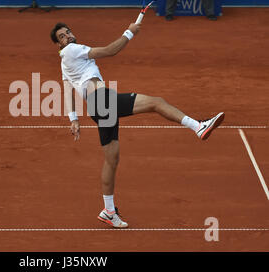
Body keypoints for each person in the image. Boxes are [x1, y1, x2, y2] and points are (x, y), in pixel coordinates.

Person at [50, 21, 225, 228]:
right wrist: (129, 33)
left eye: (68, 32)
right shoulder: (73, 50)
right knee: (156, 102)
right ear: (59, 45)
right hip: (102, 101)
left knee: (111, 160)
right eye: (62, 36)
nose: (68, 36)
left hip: (96, 108)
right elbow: (109, 51)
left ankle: (108, 210)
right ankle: (198, 126)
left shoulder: (64, 62)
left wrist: (73, 118)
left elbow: (67, 87)